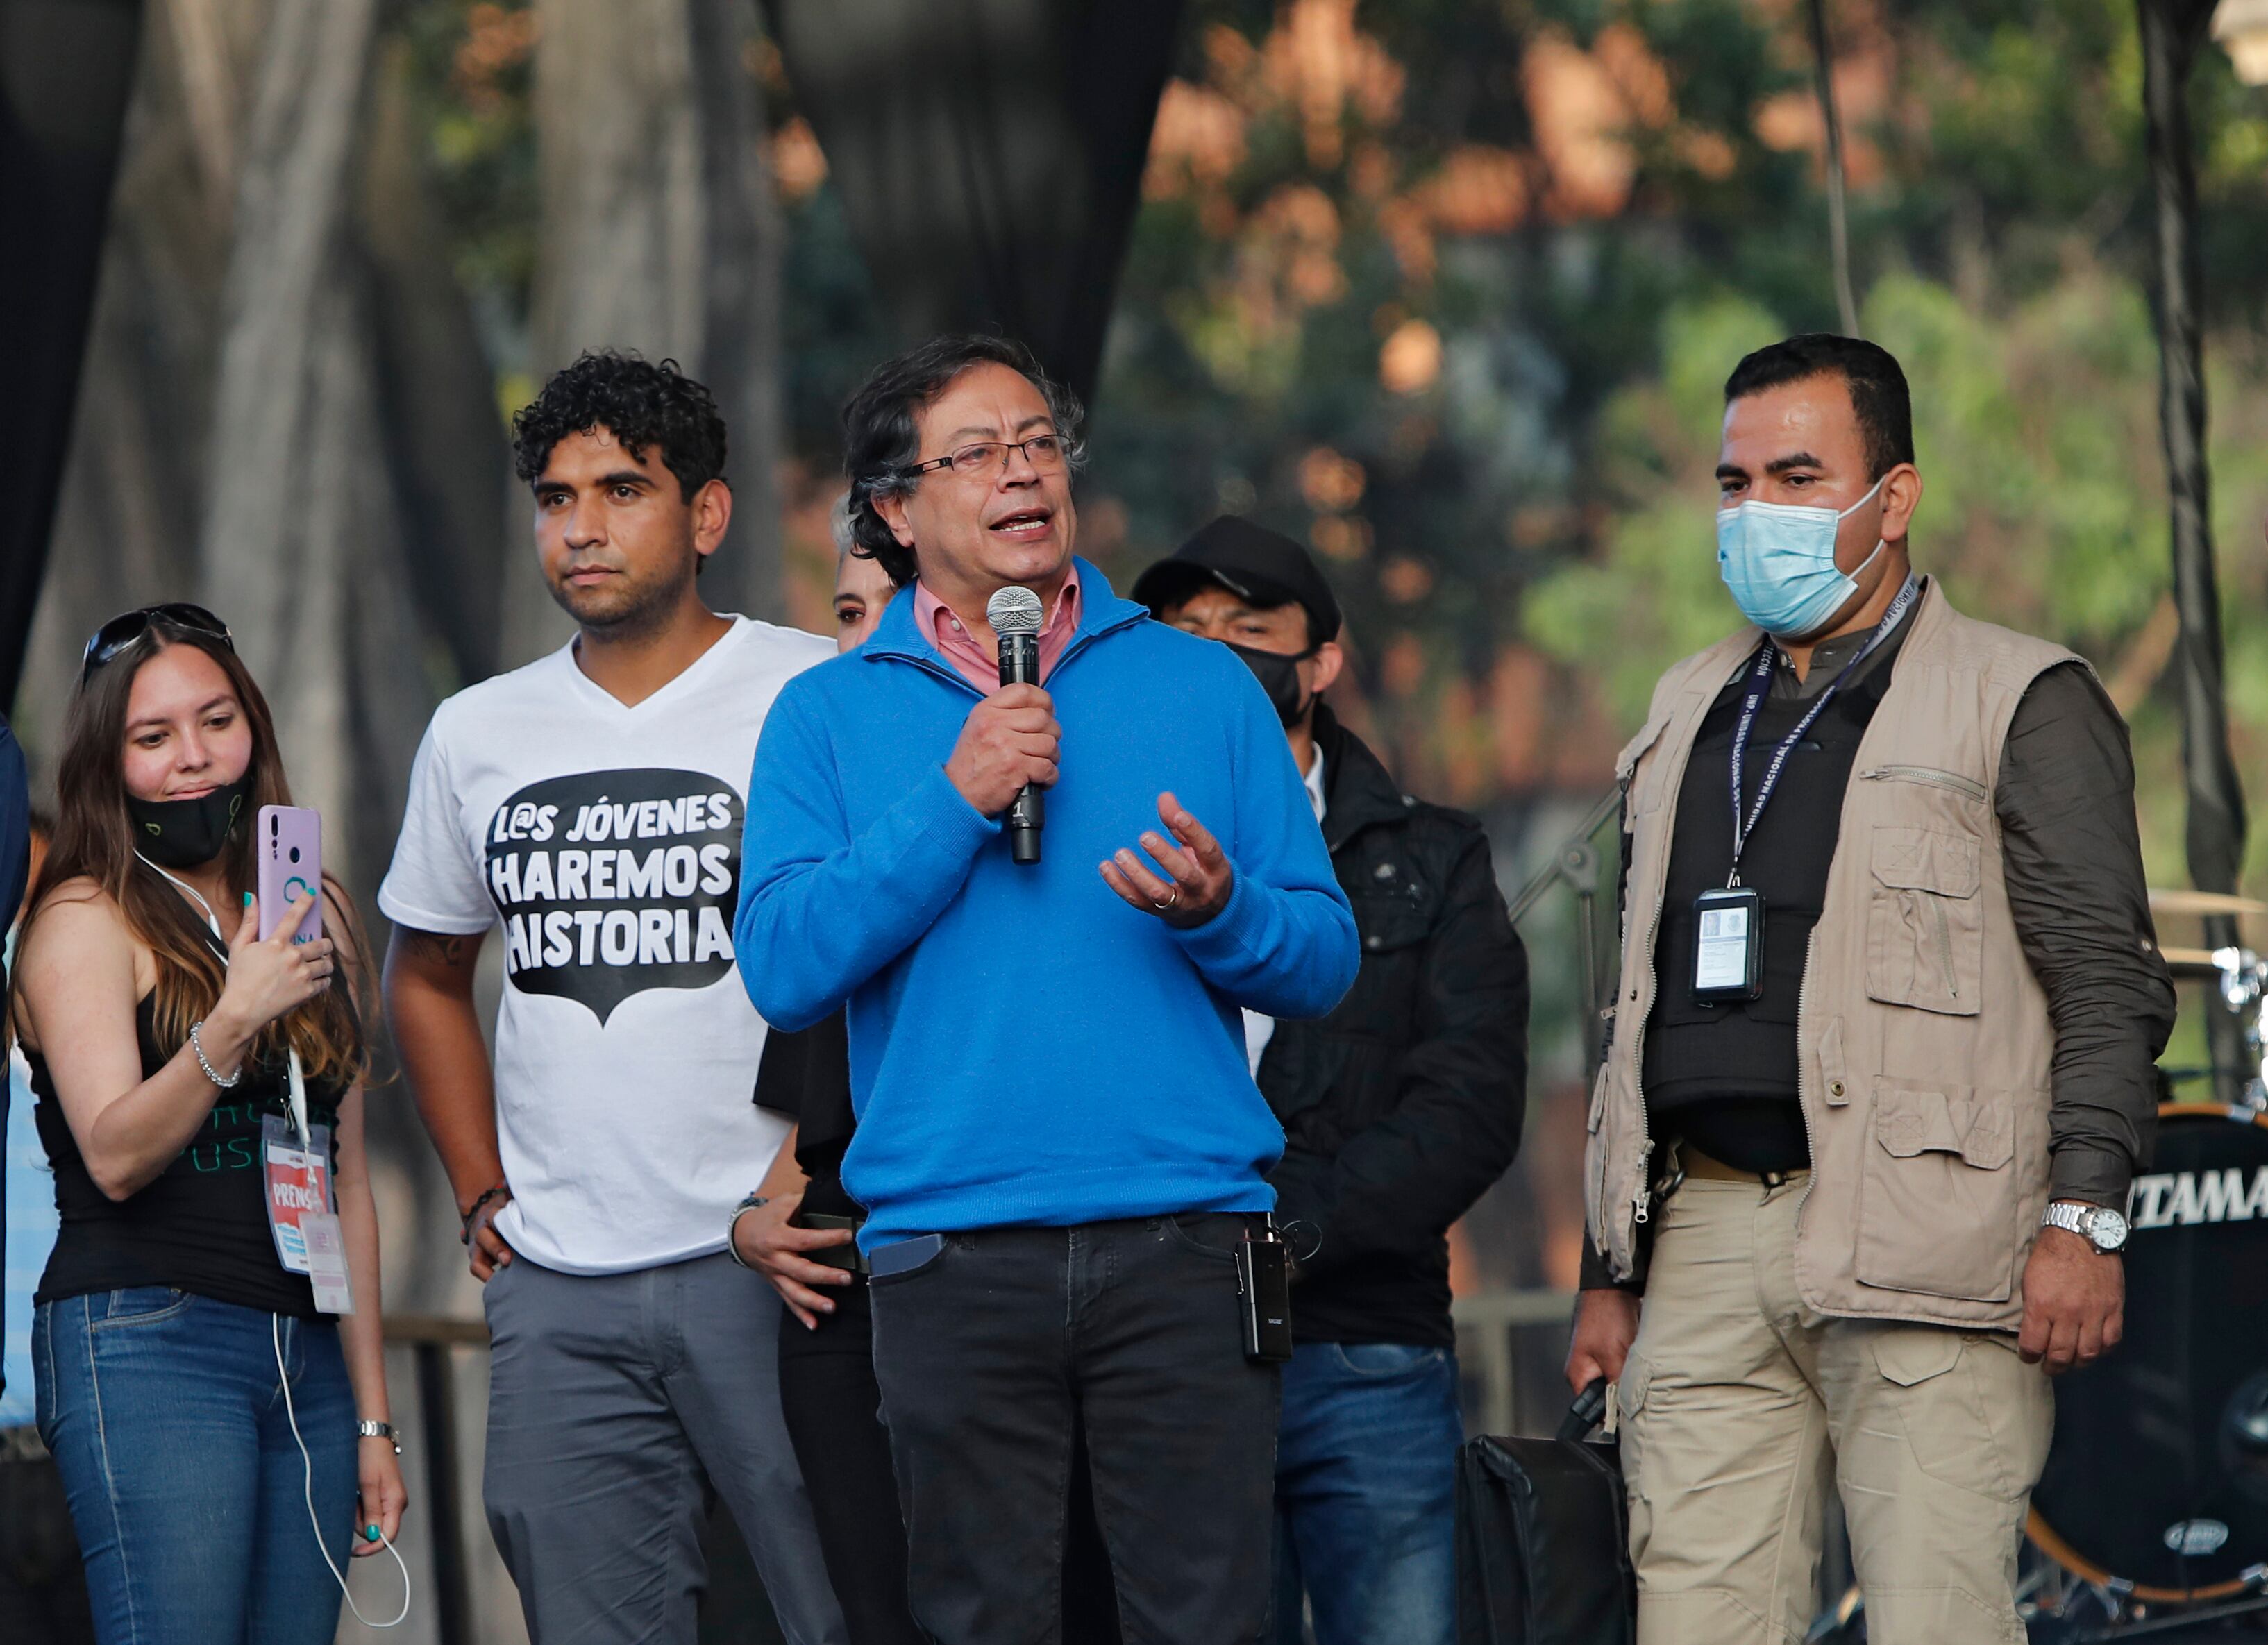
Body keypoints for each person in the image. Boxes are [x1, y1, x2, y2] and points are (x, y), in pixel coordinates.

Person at [736, 334, 1360, 1645]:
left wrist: (1221, 911)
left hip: (1187, 1244)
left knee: (1210, 1622)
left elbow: (1321, 957)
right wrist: (956, 798)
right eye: (976, 453)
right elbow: (787, 965)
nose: (1022, 474)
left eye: (1037, 444)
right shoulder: (827, 716)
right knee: (983, 1624)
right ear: (897, 511)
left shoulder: (1200, 682)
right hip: (950, 1258)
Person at [1565, 335, 2176, 1645]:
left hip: (1931, 1233)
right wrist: (1607, 1270)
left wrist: (2086, 1217)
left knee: (1936, 1624)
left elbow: (2110, 986)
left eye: (1797, 474)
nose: (1756, 512)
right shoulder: (1685, 705)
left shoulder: (2021, 696)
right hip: (1707, 1232)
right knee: (1696, 1625)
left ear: (1892, 499)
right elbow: (1632, 1009)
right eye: (1735, 482)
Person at [380, 351, 845, 1645]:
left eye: (621, 489)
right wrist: (482, 1189)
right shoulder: (478, 731)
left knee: (847, 1607)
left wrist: (818, 1170)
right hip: (561, 1281)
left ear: (706, 514)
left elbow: (891, 962)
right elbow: (423, 973)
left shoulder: (815, 694)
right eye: (555, 494)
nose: (579, 525)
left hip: (776, 1256)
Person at [1136, 518, 1528, 1645]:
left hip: (1368, 1347)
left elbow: (1469, 1104)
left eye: (1248, 630)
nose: (1213, 652)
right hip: (1170, 1349)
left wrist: (1286, 1231)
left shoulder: (1434, 856)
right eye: (1185, 629)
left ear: (1322, 664)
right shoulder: (1100, 842)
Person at [741, 525, 1121, 1645]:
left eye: (882, 615)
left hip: (1008, 1258)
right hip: (848, 1287)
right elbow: (800, 1114)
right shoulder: (835, 851)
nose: (860, 646)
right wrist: (747, 1229)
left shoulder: (1030, 816)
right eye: (844, 619)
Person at [12, 605, 406, 1643]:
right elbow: (116, 1153)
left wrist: (373, 1418)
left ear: (254, 730)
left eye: (216, 721)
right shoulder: (82, 916)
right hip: (152, 1339)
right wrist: (235, 1017)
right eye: (153, 738)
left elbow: (347, 1181)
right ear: (109, 762)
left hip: (308, 1356)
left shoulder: (311, 903)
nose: (193, 758)